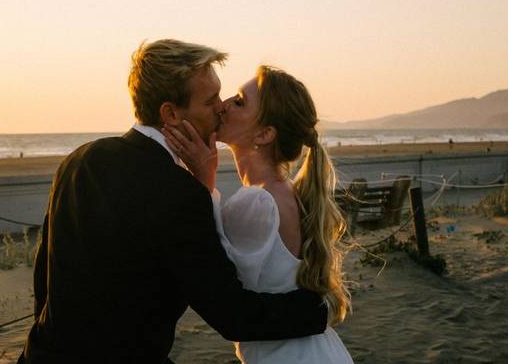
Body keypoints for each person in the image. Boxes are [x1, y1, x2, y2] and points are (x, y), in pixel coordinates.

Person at [18, 40, 328, 364]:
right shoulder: (180, 193)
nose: (221, 107)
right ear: (170, 113)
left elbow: (45, 278)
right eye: (210, 101)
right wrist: (318, 310)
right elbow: (232, 314)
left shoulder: (79, 160)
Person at [164, 65, 353, 363]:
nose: (223, 104)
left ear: (265, 134)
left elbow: (216, 275)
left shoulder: (259, 201)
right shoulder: (281, 191)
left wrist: (204, 182)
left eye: (239, 102)